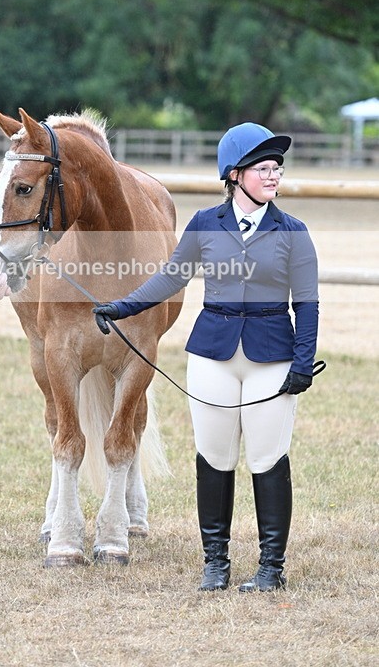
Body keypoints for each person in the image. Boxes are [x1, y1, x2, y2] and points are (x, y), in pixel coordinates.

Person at [92, 122, 319, 592]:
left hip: (272, 357)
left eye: (277, 168)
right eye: (263, 168)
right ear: (234, 175)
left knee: (267, 459)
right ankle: (215, 563)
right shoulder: (204, 225)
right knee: (214, 458)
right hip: (212, 354)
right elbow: (171, 279)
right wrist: (121, 307)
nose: (273, 176)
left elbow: (308, 303)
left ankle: (270, 568)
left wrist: (302, 362)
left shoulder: (294, 232)